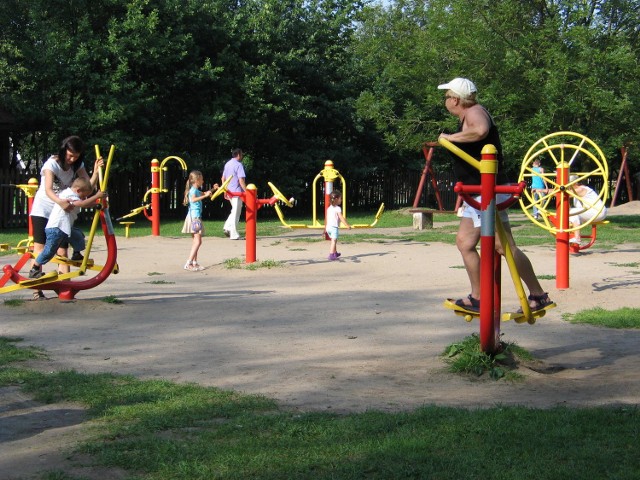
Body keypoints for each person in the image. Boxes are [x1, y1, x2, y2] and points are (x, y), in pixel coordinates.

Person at [437, 77, 554, 313]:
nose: (445, 101)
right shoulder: (468, 115)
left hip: (488, 192)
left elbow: (481, 130)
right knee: (465, 242)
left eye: (447, 96)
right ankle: (479, 297)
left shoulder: (474, 112)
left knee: (504, 246)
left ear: (456, 99)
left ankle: (538, 295)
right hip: (479, 192)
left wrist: (450, 138)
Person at [29, 136, 103, 299]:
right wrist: (60, 202)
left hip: (63, 214)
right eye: (69, 156)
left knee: (63, 249)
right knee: (40, 247)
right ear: (63, 151)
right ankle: (37, 289)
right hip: (44, 208)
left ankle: (65, 288)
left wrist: (96, 171)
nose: (71, 160)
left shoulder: (77, 165)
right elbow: (48, 189)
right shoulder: (51, 164)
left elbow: (86, 188)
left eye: (75, 157)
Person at [29, 177, 104, 279]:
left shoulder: (74, 194)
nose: (84, 198)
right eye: (84, 196)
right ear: (78, 191)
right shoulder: (68, 195)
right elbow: (81, 204)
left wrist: (97, 204)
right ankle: (35, 269)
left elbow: (84, 203)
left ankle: (76, 254)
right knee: (49, 250)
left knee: (78, 235)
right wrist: (96, 196)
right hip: (56, 228)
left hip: (65, 228)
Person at [181, 170, 218, 271]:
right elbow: (193, 200)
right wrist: (205, 196)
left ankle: (194, 263)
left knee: (196, 241)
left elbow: (205, 193)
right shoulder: (193, 191)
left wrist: (213, 190)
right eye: (201, 179)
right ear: (197, 180)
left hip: (195, 217)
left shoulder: (196, 190)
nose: (203, 181)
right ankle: (188, 263)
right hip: (195, 218)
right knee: (198, 241)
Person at [568, 175, 607, 245]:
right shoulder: (575, 193)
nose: (568, 187)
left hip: (597, 212)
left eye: (569, 184)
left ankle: (577, 238)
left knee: (572, 212)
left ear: (574, 183)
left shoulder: (581, 189)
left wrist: (544, 191)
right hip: (592, 212)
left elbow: (561, 194)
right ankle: (569, 235)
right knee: (570, 213)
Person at [221, 148, 247, 240]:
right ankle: (234, 234)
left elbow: (223, 178)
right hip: (237, 192)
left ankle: (227, 227)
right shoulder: (238, 165)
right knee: (236, 212)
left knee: (234, 211)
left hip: (229, 192)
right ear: (239, 155)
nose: (242, 156)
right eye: (242, 154)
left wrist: (224, 190)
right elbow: (241, 180)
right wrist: (247, 192)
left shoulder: (227, 164)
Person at [325, 190, 351, 261]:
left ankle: (335, 253)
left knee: (334, 240)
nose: (341, 200)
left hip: (328, 227)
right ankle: (331, 255)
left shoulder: (329, 208)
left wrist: (325, 229)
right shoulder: (338, 208)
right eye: (340, 198)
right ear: (336, 199)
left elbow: (327, 218)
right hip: (333, 227)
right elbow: (341, 218)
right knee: (334, 240)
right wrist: (347, 225)